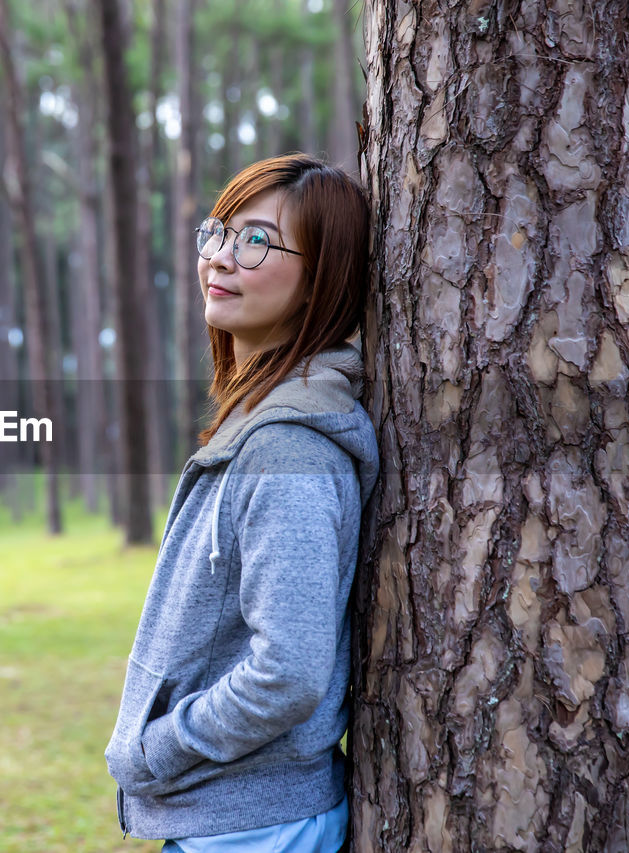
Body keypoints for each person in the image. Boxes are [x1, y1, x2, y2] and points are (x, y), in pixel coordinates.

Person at [104, 153, 379, 852]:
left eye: (256, 241)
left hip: (254, 828)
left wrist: (157, 746)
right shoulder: (260, 425)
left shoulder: (289, 450)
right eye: (220, 232)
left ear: (321, 277)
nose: (221, 257)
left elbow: (289, 671)